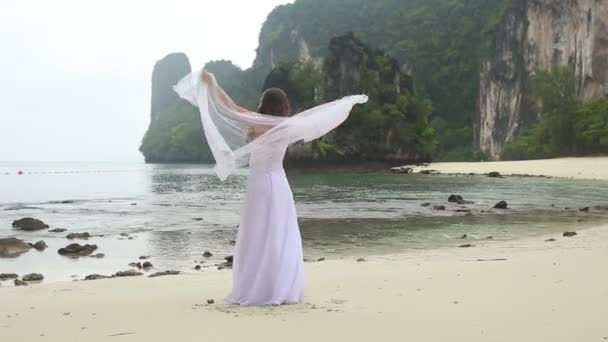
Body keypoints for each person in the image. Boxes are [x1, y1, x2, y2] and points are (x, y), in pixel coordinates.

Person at [175, 70, 367, 306]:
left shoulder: (256, 124)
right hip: (279, 183)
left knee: (257, 234)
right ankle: (280, 287)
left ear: (264, 104)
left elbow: (230, 107)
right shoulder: (288, 127)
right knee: (280, 234)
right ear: (284, 106)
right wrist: (347, 102)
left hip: (258, 184)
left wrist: (213, 83)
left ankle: (258, 287)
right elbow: (319, 119)